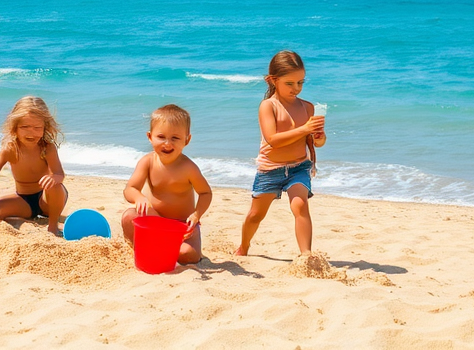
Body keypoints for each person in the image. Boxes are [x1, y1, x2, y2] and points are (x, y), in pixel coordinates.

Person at [234, 50, 327, 257]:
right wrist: (305, 129)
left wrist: (318, 136)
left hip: (298, 167)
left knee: (300, 206)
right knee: (255, 215)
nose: (296, 89)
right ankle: (244, 247)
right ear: (273, 80)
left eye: (301, 83)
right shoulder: (269, 106)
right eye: (290, 83)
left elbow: (316, 142)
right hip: (270, 170)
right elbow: (272, 140)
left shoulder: (308, 107)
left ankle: (306, 255)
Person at [121, 104, 213, 266]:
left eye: (175, 138)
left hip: (182, 227)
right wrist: (139, 197)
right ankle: (141, 248)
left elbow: (206, 193)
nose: (167, 143)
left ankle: (167, 248)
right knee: (128, 216)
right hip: (155, 221)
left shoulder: (188, 168)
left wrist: (196, 215)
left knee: (187, 255)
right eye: (161, 137)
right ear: (150, 137)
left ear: (187, 140)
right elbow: (130, 189)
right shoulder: (147, 162)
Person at [0, 96, 69, 234]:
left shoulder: (47, 148)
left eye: (37, 127)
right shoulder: (10, 149)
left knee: (55, 185)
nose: (31, 132)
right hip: (23, 201)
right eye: (25, 127)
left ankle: (53, 226)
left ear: (45, 127)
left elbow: (59, 174)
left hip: (48, 201)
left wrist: (54, 178)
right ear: (15, 127)